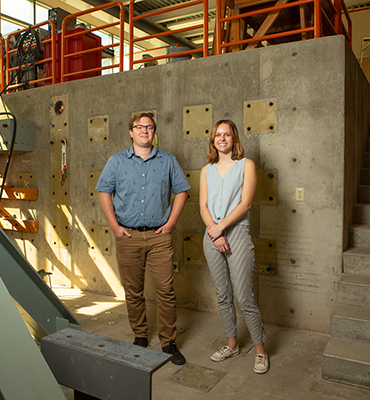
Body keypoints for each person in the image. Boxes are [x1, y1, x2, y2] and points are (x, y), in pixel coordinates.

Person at [96, 112, 190, 365]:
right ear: (131, 132)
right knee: (133, 291)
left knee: (166, 291)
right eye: (139, 127)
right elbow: (104, 192)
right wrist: (115, 227)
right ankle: (140, 335)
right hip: (128, 236)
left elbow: (182, 192)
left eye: (149, 127)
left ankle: (169, 342)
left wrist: (170, 224)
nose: (144, 131)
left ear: (154, 132)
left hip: (159, 236)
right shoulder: (116, 161)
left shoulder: (168, 161)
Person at [199, 119, 269, 374]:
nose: (222, 138)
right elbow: (203, 206)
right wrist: (215, 233)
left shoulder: (246, 165)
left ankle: (260, 350)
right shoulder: (207, 170)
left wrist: (221, 228)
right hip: (212, 235)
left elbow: (246, 204)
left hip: (237, 232)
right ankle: (232, 344)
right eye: (218, 134)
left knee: (244, 296)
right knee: (223, 295)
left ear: (234, 139)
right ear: (213, 140)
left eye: (227, 134)